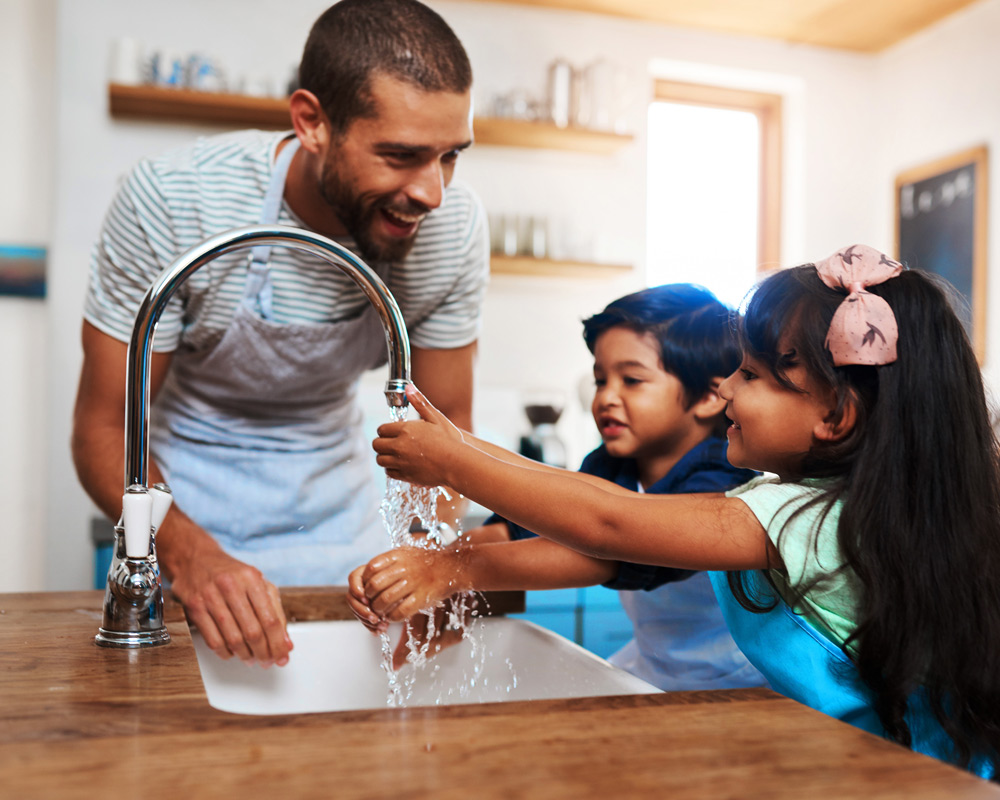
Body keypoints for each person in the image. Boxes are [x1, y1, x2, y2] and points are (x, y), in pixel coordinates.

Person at [362, 245, 1000, 779]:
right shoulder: (823, 504)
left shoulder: (796, 517)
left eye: (750, 376)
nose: (726, 387)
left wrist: (455, 471)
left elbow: (610, 527)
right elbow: (591, 501)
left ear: (833, 416)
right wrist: (461, 453)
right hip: (868, 760)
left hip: (911, 774)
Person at [71, 0, 488, 669]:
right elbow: (104, 431)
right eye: (401, 156)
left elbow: (449, 426)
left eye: (449, 157)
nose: (432, 192)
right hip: (182, 505)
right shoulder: (176, 202)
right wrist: (186, 554)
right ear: (312, 123)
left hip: (340, 522)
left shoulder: (451, 230)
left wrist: (428, 554)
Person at [350, 284, 767, 691]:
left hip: (743, 686)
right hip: (653, 671)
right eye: (601, 380)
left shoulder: (725, 475)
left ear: (712, 396)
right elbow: (522, 526)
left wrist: (449, 568)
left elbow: (609, 547)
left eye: (632, 381)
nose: (606, 397)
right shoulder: (612, 463)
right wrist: (417, 566)